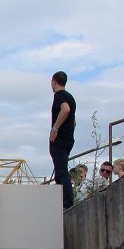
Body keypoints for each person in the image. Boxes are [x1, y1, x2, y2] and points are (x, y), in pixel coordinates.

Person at [49, 71, 76, 209]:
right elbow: (73, 120)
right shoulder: (70, 97)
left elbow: (65, 109)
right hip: (68, 139)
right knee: (61, 168)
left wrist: (55, 129)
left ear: (53, 82)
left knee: (61, 170)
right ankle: (64, 199)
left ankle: (67, 201)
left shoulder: (59, 95)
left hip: (59, 139)